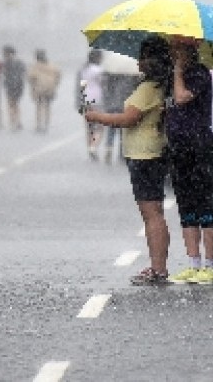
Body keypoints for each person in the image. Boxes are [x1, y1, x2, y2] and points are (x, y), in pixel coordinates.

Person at [84, 36, 172, 285]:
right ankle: (159, 266)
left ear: (151, 60)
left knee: (151, 214)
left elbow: (128, 119)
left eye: (143, 56)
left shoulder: (148, 89)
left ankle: (157, 269)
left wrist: (96, 116)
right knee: (155, 213)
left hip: (144, 154)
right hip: (153, 152)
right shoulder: (159, 86)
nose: (139, 61)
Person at [166, 35, 213, 285]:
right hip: (179, 146)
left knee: (204, 204)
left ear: (189, 52)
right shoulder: (173, 75)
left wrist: (177, 72)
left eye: (178, 50)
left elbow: (181, 98)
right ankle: (193, 262)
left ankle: (210, 265)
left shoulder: (199, 74)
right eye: (173, 51)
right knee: (185, 204)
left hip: (199, 145)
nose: (174, 55)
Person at [77, 49, 105, 160]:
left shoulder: (84, 70)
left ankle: (89, 147)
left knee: (89, 126)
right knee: (99, 127)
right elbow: (103, 84)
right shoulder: (99, 70)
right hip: (97, 99)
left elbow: (82, 85)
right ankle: (93, 147)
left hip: (86, 99)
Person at [27, 49, 62, 133]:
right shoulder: (52, 66)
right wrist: (55, 85)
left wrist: (33, 88)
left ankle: (39, 124)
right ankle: (46, 124)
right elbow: (58, 75)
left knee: (39, 107)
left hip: (39, 89)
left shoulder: (35, 67)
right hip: (49, 88)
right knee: (47, 107)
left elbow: (31, 78)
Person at [2, 45, 26, 131]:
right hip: (19, 86)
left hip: (10, 86)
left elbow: (4, 74)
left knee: (11, 104)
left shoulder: (6, 63)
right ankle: (18, 121)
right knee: (16, 104)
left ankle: (13, 121)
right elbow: (24, 72)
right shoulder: (20, 62)